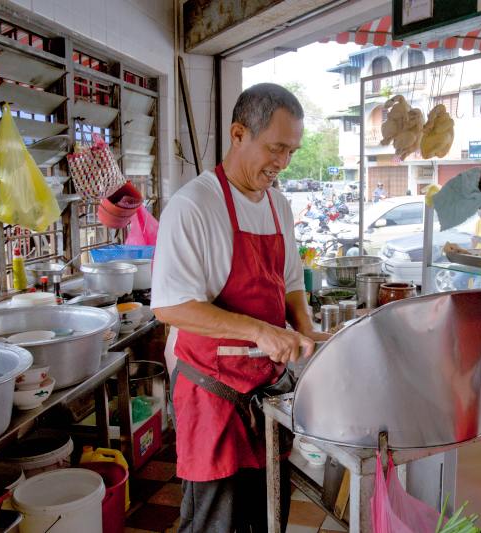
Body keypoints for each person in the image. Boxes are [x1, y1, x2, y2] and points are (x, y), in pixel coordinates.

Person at [151, 83, 329, 533]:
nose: (283, 163)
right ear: (237, 134)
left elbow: (290, 283)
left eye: (292, 151)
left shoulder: (278, 205)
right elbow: (171, 307)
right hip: (213, 392)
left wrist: (306, 333)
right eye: (276, 149)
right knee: (218, 520)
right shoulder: (193, 205)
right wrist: (260, 331)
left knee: (268, 515)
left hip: (266, 390)